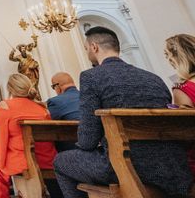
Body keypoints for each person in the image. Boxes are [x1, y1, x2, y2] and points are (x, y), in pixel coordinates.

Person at [54, 27, 194, 198]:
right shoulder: (153, 77)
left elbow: (88, 139)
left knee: (60, 162)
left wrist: (86, 146)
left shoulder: (91, 77)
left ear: (94, 47)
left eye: (86, 49)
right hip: (171, 165)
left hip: (126, 164)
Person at [0, 73, 60, 198]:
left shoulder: (5, 106)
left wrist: (0, 164)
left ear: (10, 89)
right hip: (48, 160)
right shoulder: (42, 108)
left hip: (23, 162)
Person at [164, 34, 195, 175]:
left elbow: (185, 132)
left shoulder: (183, 88)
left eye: (167, 55)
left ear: (176, 58)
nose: (167, 60)